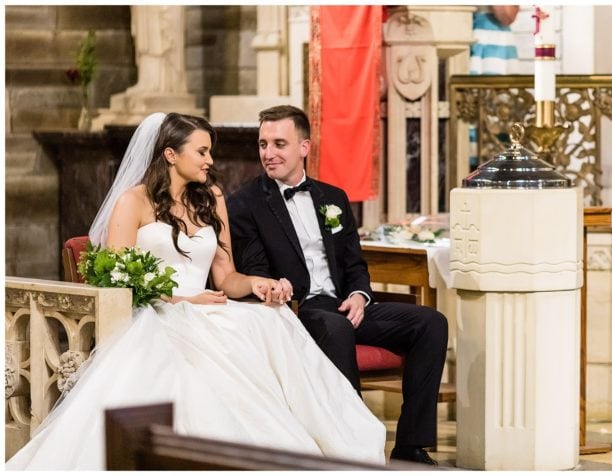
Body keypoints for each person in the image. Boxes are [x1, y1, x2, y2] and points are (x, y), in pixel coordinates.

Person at [6, 113, 386, 469]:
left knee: (272, 321)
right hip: (154, 312)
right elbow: (116, 281)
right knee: (191, 369)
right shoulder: (133, 201)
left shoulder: (212, 198)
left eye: (210, 152)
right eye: (201, 151)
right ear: (171, 155)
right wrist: (181, 299)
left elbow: (226, 277)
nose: (209, 161)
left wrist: (256, 283)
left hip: (210, 306)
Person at [227, 105, 448, 466]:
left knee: (430, 323)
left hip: (346, 305)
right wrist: (274, 285)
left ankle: (411, 445)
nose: (269, 153)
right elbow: (254, 268)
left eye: (279, 143)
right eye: (263, 143)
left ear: (304, 147)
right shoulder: (245, 204)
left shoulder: (333, 198)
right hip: (297, 310)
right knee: (336, 328)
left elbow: (354, 264)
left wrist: (360, 296)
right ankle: (353, 442)